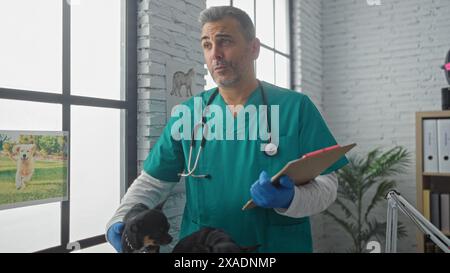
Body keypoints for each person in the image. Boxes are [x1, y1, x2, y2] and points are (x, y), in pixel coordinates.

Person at [106, 6, 348, 253]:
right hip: (201, 249)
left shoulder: (295, 108)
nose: (215, 54)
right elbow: (152, 183)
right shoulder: (189, 113)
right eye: (207, 45)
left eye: (225, 42)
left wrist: (291, 199)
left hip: (276, 247)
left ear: (254, 48)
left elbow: (327, 186)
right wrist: (120, 222)